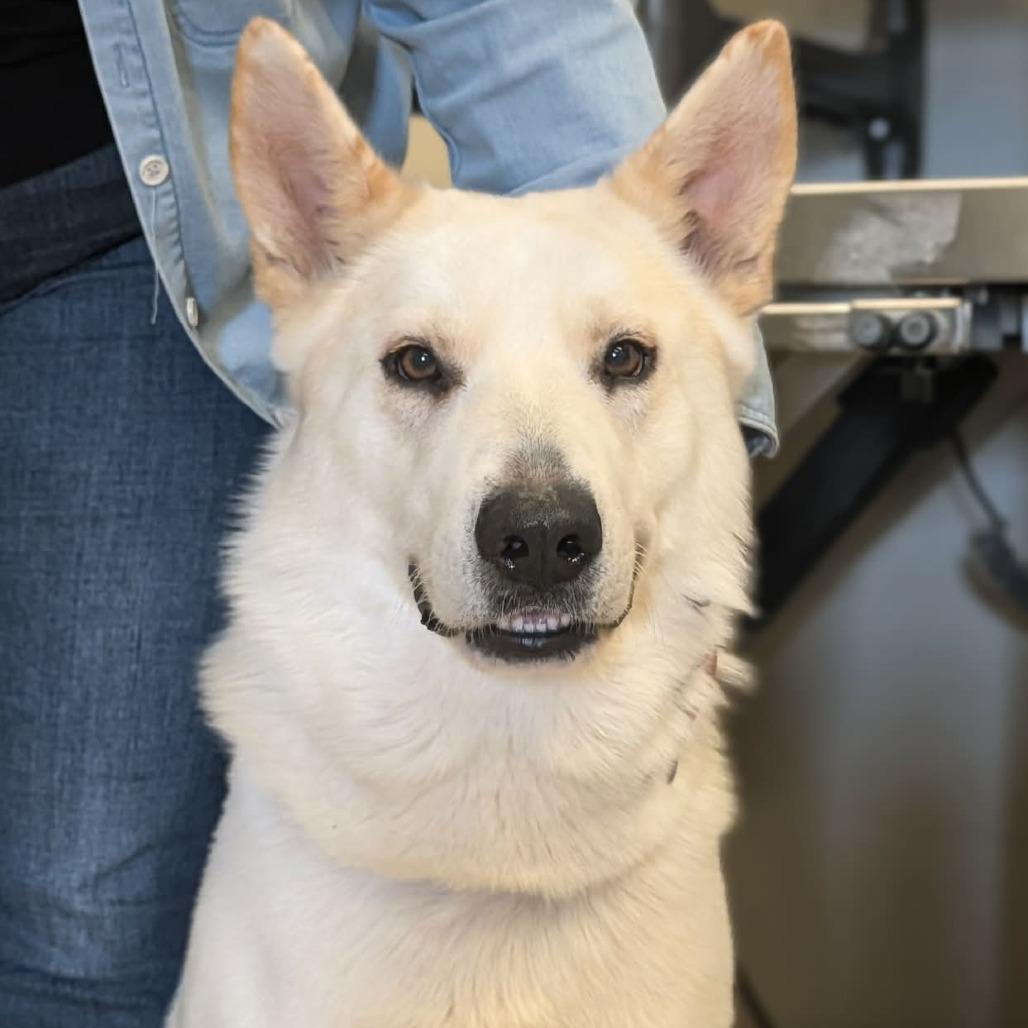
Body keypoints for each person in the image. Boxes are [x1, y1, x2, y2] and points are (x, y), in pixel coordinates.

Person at [0, 2, 778, 1025]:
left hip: (99, 213)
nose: (538, 528)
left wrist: (699, 367)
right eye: (421, 364)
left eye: (621, 359)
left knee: (84, 908)